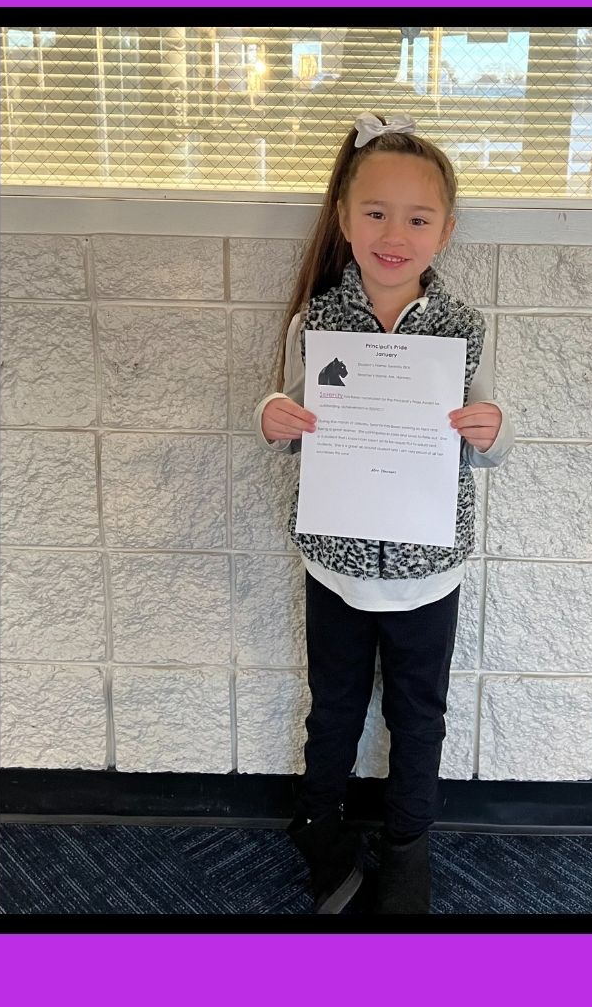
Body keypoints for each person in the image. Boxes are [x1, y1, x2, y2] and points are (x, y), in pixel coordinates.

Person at [250, 117, 504, 913]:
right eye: (375, 213)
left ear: (446, 231)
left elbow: (491, 439)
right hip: (336, 563)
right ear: (343, 219)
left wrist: (493, 429)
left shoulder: (466, 329)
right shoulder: (317, 321)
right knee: (333, 710)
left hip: (431, 572)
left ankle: (407, 847)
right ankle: (320, 827)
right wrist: (273, 416)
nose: (395, 235)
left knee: (417, 716)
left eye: (418, 219)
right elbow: (286, 415)